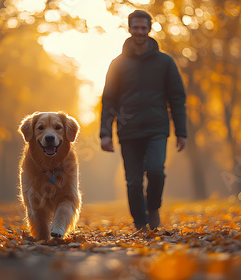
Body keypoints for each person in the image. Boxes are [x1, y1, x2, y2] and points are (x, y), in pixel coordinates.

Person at [100, 10, 187, 231]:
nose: (139, 32)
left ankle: (154, 208)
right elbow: (109, 100)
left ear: (149, 29)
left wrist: (181, 131)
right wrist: (105, 133)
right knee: (134, 181)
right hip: (128, 131)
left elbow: (177, 98)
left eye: (143, 28)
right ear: (129, 29)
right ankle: (140, 224)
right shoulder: (117, 64)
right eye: (135, 27)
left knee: (157, 170)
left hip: (157, 127)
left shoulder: (165, 62)